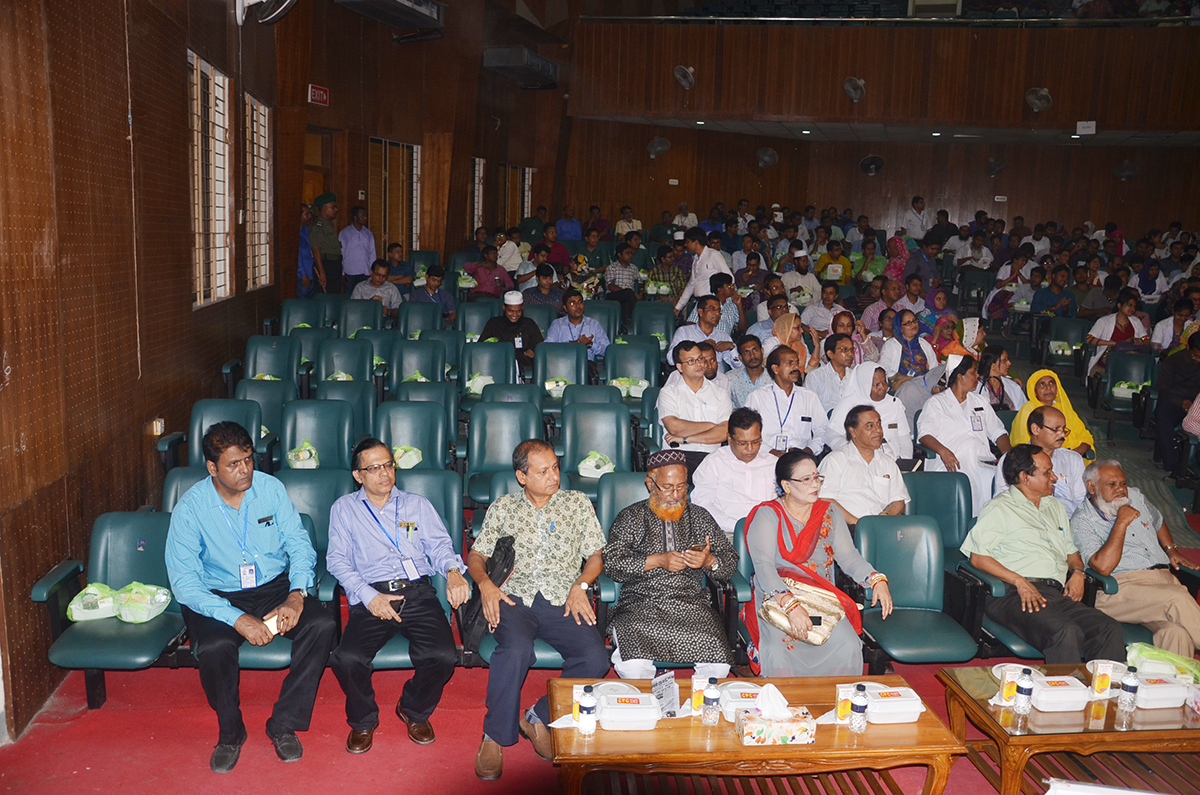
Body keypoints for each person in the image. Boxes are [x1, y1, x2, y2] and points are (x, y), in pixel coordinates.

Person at [165, 422, 336, 773]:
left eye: (248, 460)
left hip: (273, 587)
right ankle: (231, 732)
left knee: (322, 624)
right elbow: (185, 583)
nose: (245, 470)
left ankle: (284, 722)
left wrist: (297, 594)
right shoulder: (191, 508)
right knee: (214, 647)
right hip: (219, 594)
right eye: (233, 464)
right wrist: (237, 619)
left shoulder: (270, 489)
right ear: (212, 468)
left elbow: (299, 545)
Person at [468, 440, 609, 779]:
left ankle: (537, 717)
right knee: (516, 649)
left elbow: (595, 556)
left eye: (555, 468)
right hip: (514, 599)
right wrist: (486, 585)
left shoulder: (577, 503)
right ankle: (494, 736)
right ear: (522, 476)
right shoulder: (503, 507)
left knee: (596, 659)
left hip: (563, 598)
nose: (553, 477)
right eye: (543, 472)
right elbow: (476, 555)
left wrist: (581, 585)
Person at [326, 439, 469, 754]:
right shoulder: (345, 508)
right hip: (372, 595)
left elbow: (440, 546)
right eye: (374, 468)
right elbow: (337, 561)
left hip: (416, 591)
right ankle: (363, 720)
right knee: (348, 658)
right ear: (358, 475)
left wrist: (453, 571)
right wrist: (367, 595)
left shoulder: (417, 505)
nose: (384, 473)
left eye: (388, 464)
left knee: (443, 656)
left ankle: (413, 708)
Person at [960, 444, 1126, 665]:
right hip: (1013, 593)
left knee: (1108, 628)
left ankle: (1104, 687)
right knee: (1065, 632)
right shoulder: (999, 508)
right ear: (1025, 477)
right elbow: (978, 557)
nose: (1055, 477)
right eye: (1047, 473)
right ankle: (1065, 687)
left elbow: (1071, 552)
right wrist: (1019, 581)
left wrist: (1078, 572)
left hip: (1054, 593)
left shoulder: (1055, 507)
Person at [743, 451, 893, 676]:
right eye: (806, 479)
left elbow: (849, 558)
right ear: (786, 485)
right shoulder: (768, 515)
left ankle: (837, 699)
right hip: (778, 600)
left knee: (849, 645)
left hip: (821, 600)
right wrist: (791, 606)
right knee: (778, 650)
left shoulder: (829, 512)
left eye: (817, 478)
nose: (815, 485)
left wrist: (876, 579)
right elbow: (764, 567)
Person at [604, 450, 739, 678]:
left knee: (718, 667)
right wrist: (658, 560)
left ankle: (697, 703)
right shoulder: (631, 517)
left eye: (681, 487)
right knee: (634, 667)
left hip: (692, 604)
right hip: (640, 604)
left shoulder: (700, 517)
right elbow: (612, 563)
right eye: (667, 487)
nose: (675, 495)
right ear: (650, 484)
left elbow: (730, 561)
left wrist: (709, 561)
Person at [1071, 460, 1200, 659]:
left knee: (1176, 634)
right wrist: (1121, 522)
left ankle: (1172, 680)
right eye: (1112, 484)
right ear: (1092, 487)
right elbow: (1102, 567)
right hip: (1118, 590)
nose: (1121, 489)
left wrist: (1171, 549)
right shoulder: (1082, 520)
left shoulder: (1136, 496)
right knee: (1177, 598)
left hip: (1162, 583)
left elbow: (1157, 520)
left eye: (1123, 483)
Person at [918, 355, 1012, 517]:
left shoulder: (980, 402)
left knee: (1002, 478)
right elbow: (924, 434)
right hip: (951, 460)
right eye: (973, 372)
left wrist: (1008, 456)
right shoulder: (936, 403)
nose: (978, 376)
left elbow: (998, 432)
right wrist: (943, 451)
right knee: (972, 475)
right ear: (960, 377)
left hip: (982, 460)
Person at [817, 404, 910, 530]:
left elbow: (899, 500)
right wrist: (857, 523)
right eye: (870, 426)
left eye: (879, 424)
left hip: (880, 527)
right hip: (845, 528)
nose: (878, 430)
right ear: (853, 432)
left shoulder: (888, 462)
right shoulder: (836, 460)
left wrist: (886, 516)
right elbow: (825, 500)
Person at [692, 408, 779, 540]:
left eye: (756, 442)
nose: (750, 448)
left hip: (768, 533)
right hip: (726, 534)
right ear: (729, 439)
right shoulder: (714, 463)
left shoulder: (773, 464)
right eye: (742, 443)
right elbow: (703, 505)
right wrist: (738, 526)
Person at [657, 340, 733, 477]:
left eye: (700, 358)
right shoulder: (668, 392)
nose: (699, 364)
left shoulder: (720, 394)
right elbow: (674, 427)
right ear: (680, 367)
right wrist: (711, 426)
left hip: (711, 456)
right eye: (691, 361)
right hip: (676, 455)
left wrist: (686, 439)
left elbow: (724, 432)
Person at [993, 406, 1087, 515]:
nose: (1062, 435)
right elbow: (1003, 499)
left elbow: (1081, 502)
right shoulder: (1012, 459)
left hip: (1067, 520)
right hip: (1025, 518)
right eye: (1056, 429)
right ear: (1036, 429)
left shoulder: (1073, 459)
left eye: (1063, 429)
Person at [744, 345, 827, 457]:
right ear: (775, 369)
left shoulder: (810, 397)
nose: (796, 367)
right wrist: (775, 454)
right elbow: (748, 433)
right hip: (767, 457)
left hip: (802, 457)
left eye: (797, 362)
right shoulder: (757, 397)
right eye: (790, 363)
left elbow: (822, 431)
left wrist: (807, 452)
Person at [825, 364, 913, 461]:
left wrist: (904, 462)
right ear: (865, 385)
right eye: (877, 384)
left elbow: (905, 442)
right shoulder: (848, 403)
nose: (883, 387)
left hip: (893, 461)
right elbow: (831, 436)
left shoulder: (895, 404)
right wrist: (854, 451)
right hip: (857, 462)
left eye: (884, 382)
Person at [1010, 369, 1095, 457]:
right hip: (1040, 456)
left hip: (1070, 454)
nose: (1048, 387)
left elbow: (1084, 434)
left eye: (1051, 383)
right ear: (1035, 391)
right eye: (1042, 384)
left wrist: (1083, 446)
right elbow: (1023, 442)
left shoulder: (1064, 408)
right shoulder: (1028, 410)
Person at [880, 310, 939, 423]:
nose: (913, 325)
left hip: (924, 388)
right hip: (902, 388)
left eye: (914, 321)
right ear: (900, 327)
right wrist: (903, 378)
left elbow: (934, 370)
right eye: (908, 323)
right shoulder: (891, 345)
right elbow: (883, 369)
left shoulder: (924, 344)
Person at [1153, 333, 1200, 471]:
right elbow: (1162, 387)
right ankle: (1173, 465)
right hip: (1174, 400)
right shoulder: (1173, 361)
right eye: (1196, 356)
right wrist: (1181, 402)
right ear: (1188, 348)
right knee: (1164, 419)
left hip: (1197, 402)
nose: (1199, 360)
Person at [1085, 287, 1149, 375]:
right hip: (1109, 357)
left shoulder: (1136, 322)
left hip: (1130, 359)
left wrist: (1141, 341)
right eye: (1129, 305)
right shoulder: (1104, 321)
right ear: (1119, 305)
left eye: (1134, 306)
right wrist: (1112, 343)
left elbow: (1147, 341)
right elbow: (1089, 339)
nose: (1132, 309)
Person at [479, 291, 544, 376]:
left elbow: (540, 347)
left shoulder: (529, 324)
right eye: (511, 311)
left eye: (518, 311)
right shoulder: (494, 323)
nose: (515, 315)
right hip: (499, 364)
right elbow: (481, 347)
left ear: (522, 308)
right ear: (504, 308)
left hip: (524, 366)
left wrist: (533, 351)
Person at [668, 295, 738, 371]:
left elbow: (738, 367)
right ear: (700, 312)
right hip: (691, 376)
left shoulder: (723, 336)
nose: (717, 313)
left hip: (716, 377)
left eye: (719, 310)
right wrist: (698, 347)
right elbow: (671, 360)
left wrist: (732, 348)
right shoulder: (684, 332)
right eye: (712, 309)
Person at [675, 227, 733, 313]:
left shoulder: (713, 255)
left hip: (713, 303)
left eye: (687, 242)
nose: (685, 245)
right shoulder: (696, 260)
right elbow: (691, 284)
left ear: (696, 242)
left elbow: (729, 277)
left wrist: (726, 298)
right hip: (700, 302)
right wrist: (678, 307)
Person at [545, 289, 609, 365]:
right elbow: (548, 348)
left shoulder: (594, 324)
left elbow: (607, 350)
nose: (578, 306)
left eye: (580, 302)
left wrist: (590, 344)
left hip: (586, 366)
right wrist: (574, 344)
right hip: (562, 365)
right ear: (565, 308)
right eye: (572, 303)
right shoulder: (557, 324)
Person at [805, 333, 855, 413]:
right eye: (844, 350)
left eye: (852, 350)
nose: (850, 354)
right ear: (830, 354)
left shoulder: (855, 376)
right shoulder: (815, 377)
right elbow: (809, 408)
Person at [974, 345, 1026, 412]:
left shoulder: (1013, 387)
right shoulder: (976, 387)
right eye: (1004, 360)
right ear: (992, 365)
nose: (1009, 363)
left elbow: (1023, 411)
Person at [308, 192, 341, 294]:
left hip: (334, 265)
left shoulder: (328, 225)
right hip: (326, 264)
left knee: (334, 295)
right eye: (333, 207)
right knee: (324, 295)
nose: (336, 210)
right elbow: (316, 250)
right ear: (324, 209)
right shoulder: (318, 227)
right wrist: (322, 273)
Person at [339, 206, 377, 295]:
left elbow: (372, 253)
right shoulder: (345, 233)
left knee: (365, 296)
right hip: (350, 272)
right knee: (350, 296)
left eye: (365, 216)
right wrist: (342, 273)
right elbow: (341, 253)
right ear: (355, 217)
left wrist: (373, 271)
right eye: (362, 216)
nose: (365, 218)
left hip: (366, 272)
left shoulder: (368, 233)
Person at [605, 242, 642, 329]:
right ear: (619, 255)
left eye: (631, 253)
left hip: (629, 297)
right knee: (628, 293)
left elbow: (640, 283)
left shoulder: (634, 268)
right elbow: (611, 286)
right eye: (627, 253)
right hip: (613, 295)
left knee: (626, 304)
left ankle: (625, 328)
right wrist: (629, 293)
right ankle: (640, 315)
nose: (630, 255)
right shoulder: (612, 267)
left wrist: (640, 293)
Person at [728, 335, 771, 408]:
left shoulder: (774, 377)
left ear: (762, 351)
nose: (752, 356)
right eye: (746, 352)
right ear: (741, 357)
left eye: (755, 350)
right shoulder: (731, 379)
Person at [297, 203, 316, 299]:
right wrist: (303, 274)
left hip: (312, 272)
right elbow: (298, 256)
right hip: (303, 275)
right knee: (304, 301)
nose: (309, 217)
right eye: (306, 214)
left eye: (310, 214)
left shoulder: (307, 230)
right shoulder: (296, 233)